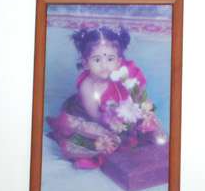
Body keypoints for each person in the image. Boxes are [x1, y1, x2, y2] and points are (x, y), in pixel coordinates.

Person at [47, 25, 164, 169]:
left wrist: (144, 113)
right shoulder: (87, 86)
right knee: (92, 142)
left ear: (119, 61)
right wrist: (117, 125)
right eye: (97, 60)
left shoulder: (125, 75)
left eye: (110, 59)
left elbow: (140, 98)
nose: (104, 65)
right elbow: (97, 118)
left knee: (149, 125)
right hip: (95, 119)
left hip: (123, 116)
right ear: (86, 63)